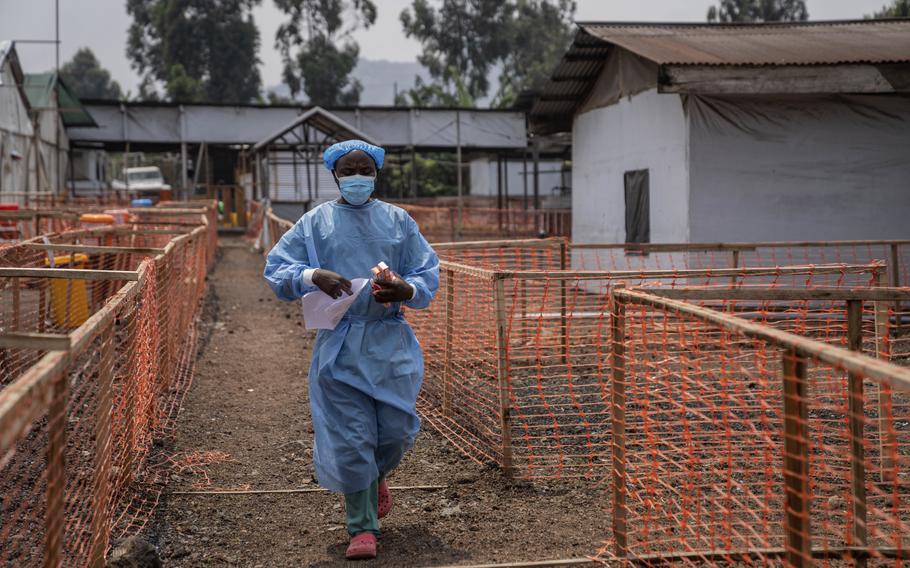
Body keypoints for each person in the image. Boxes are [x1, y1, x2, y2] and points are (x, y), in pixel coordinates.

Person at [263, 139, 439, 560]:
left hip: (390, 341)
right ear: (335, 175)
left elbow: (425, 272)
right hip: (339, 345)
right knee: (351, 436)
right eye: (348, 170)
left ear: (376, 174)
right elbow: (276, 269)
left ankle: (377, 476)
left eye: (365, 169)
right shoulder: (315, 223)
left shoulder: (399, 221)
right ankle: (362, 527)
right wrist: (311, 275)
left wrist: (405, 288)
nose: (357, 176)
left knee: (395, 430)